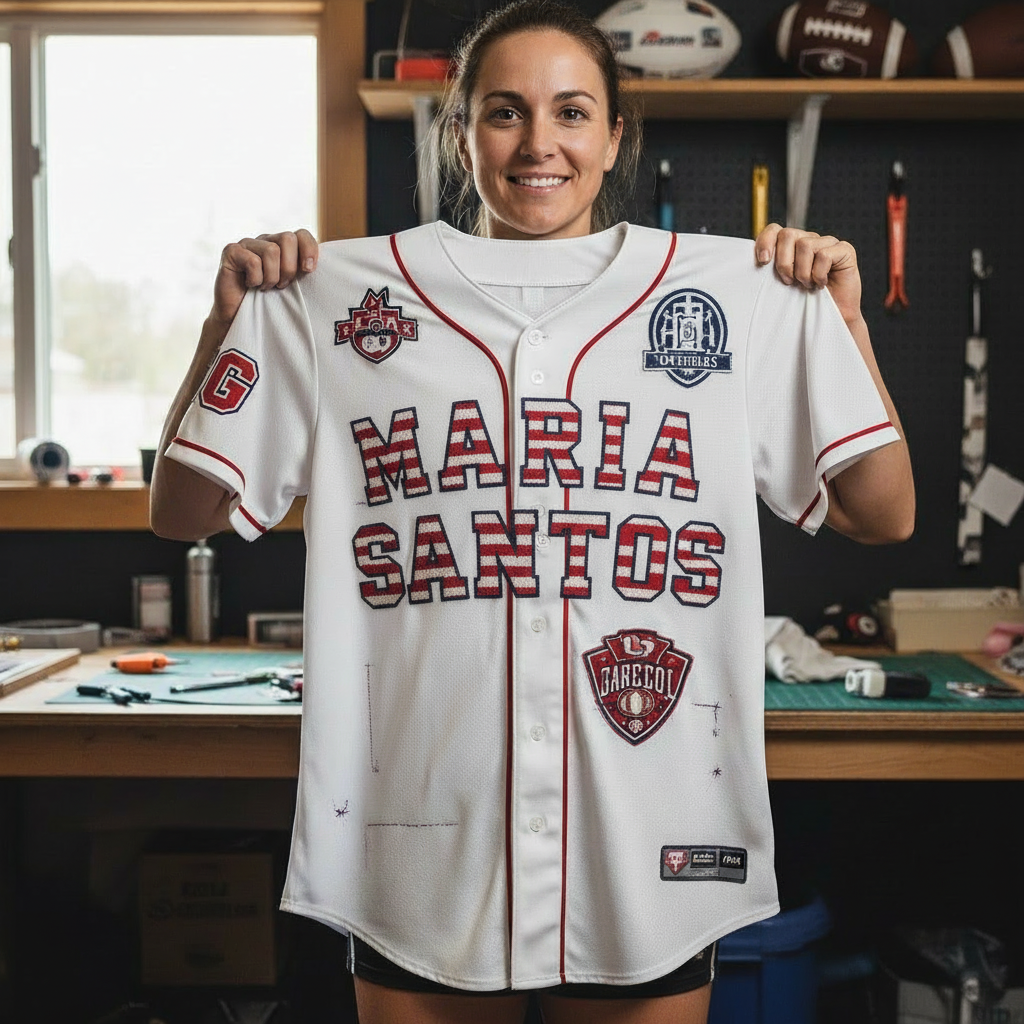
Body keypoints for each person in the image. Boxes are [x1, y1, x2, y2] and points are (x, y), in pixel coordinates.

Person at [151, 1, 914, 1020]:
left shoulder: (737, 297)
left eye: (571, 111)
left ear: (612, 136)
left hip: (649, 834)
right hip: (419, 834)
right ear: (459, 134)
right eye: (503, 112)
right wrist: (223, 324)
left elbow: (882, 511)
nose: (538, 141)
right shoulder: (341, 299)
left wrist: (846, 327)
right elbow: (181, 507)